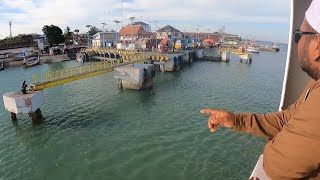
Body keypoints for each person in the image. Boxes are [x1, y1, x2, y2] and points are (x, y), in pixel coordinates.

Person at [201, 1, 320, 179]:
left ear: (317, 45)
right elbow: (286, 119)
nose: (297, 42)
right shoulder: (316, 84)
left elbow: (278, 165)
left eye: (299, 35)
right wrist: (236, 120)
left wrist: (274, 143)